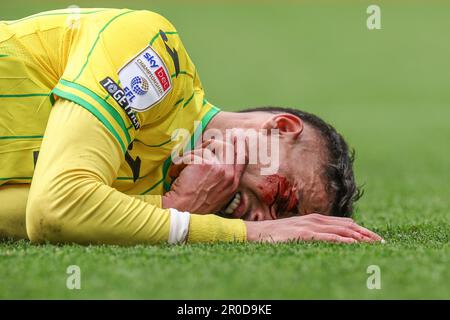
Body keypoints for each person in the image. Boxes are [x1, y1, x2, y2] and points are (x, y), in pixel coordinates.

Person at [0, 8, 383, 245]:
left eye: (281, 225)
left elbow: (37, 215)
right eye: (280, 199)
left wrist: (175, 212)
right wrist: (197, 219)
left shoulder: (158, 199)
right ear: (280, 128)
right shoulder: (155, 54)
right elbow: (56, 208)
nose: (263, 222)